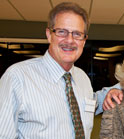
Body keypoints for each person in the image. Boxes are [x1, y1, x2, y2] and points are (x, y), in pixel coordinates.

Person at [0, 2, 100, 138]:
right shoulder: (17, 77)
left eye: (77, 34)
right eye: (62, 32)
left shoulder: (83, 78)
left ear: (83, 40)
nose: (70, 40)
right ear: (49, 34)